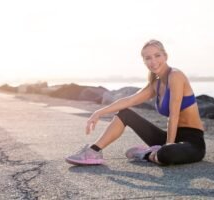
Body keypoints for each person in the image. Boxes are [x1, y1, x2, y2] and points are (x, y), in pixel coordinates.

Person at [65, 39, 206, 166]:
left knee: (166, 154)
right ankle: (93, 151)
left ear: (165, 56)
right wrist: (98, 112)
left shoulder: (175, 75)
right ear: (144, 62)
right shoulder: (155, 84)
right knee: (125, 114)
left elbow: (174, 115)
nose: (153, 61)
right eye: (148, 58)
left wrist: (168, 145)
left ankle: (147, 154)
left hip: (192, 142)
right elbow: (129, 100)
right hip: (170, 137)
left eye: (157, 55)